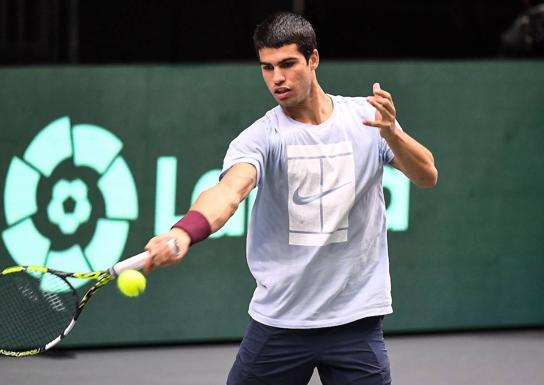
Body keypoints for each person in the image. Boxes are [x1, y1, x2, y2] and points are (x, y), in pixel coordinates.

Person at [143, 12, 437, 385]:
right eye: (266, 68)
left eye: (287, 64)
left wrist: (392, 134)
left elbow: (427, 175)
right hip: (280, 322)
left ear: (313, 60)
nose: (277, 78)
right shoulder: (262, 137)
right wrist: (184, 232)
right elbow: (228, 193)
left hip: (355, 321)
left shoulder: (367, 119)